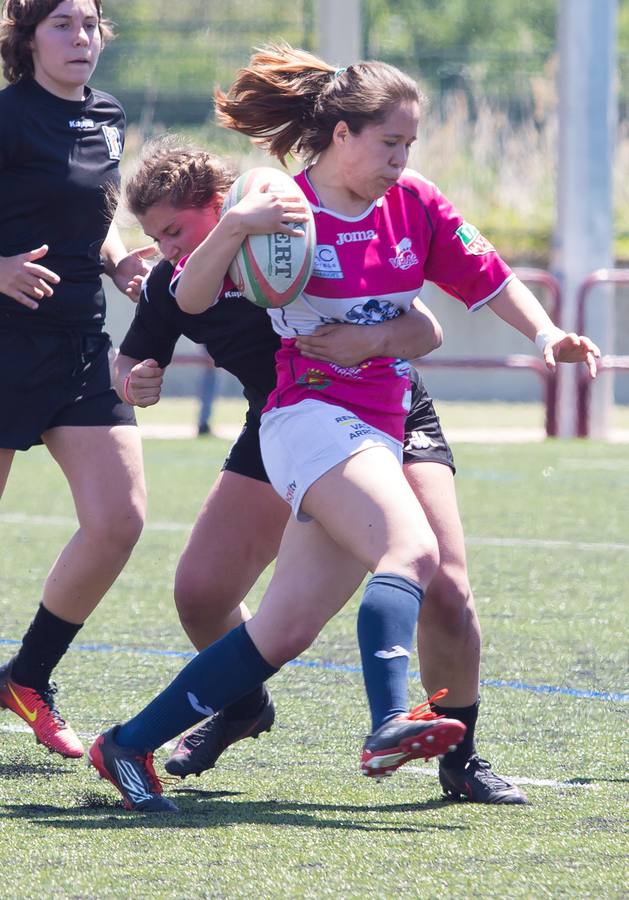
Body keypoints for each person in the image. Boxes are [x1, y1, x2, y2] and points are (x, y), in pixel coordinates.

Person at [89, 49, 598, 813]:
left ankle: (126, 743)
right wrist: (233, 225)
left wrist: (546, 332)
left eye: (408, 145)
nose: (400, 159)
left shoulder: (414, 202)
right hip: (310, 414)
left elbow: (485, 276)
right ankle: (391, 717)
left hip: (387, 412)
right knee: (410, 550)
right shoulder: (282, 209)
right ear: (338, 134)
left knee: (288, 628)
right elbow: (188, 297)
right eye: (387, 143)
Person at [0, 0, 152, 759]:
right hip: (1, 344)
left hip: (77, 345)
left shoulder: (108, 113)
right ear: (27, 38)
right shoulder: (6, 117)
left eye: (91, 24)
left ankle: (28, 676)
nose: (81, 38)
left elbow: (95, 207)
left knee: (119, 520)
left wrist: (116, 255)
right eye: (62, 23)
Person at [196, 357, 217, 436]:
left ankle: (204, 424)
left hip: (210, 371)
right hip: (208, 371)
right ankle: (203, 426)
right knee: (207, 398)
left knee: (207, 399)